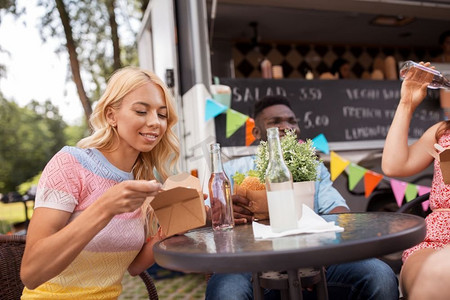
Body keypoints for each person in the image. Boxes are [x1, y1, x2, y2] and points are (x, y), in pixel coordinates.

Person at [206, 95, 399, 300]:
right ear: (255, 132)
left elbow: (338, 210)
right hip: (249, 266)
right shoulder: (233, 170)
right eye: (275, 122)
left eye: (292, 121)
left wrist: (324, 252)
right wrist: (223, 212)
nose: (286, 126)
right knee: (226, 292)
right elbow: (208, 216)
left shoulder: (314, 168)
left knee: (380, 275)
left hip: (314, 263)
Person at [20, 66, 180, 298]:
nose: (155, 122)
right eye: (142, 111)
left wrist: (173, 227)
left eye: (162, 114)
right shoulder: (70, 165)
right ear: (111, 116)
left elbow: (133, 266)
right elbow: (31, 273)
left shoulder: (141, 179)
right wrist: (105, 207)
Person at [382, 61, 450, 298]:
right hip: (435, 237)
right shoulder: (443, 131)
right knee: (432, 277)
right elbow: (393, 164)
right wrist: (407, 103)